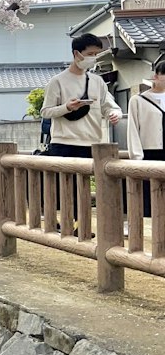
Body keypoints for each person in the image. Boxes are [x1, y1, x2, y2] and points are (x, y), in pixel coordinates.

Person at [41, 33, 121, 226]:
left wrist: (115, 113)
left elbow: (108, 104)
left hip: (90, 142)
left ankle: (82, 226)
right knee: (63, 188)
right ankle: (63, 225)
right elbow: (45, 111)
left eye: (97, 54)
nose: (94, 58)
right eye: (90, 53)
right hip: (63, 142)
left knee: (83, 187)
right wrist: (67, 107)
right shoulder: (57, 81)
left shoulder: (98, 82)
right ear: (77, 53)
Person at [127, 58, 165, 218]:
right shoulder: (138, 100)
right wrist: (137, 159)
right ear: (155, 75)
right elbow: (132, 130)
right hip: (150, 154)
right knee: (150, 200)